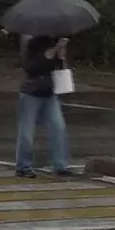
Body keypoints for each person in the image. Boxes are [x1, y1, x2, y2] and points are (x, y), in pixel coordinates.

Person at [15, 35, 72, 178]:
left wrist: (61, 55)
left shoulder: (52, 39)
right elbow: (31, 67)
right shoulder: (29, 40)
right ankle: (23, 166)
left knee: (58, 128)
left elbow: (59, 68)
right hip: (31, 92)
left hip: (49, 92)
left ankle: (61, 165)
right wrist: (51, 52)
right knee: (26, 132)